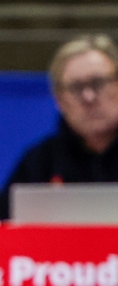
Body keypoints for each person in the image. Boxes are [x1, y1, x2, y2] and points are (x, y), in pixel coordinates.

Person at [7, 35, 118, 187]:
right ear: (59, 99)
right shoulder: (41, 163)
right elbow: (7, 210)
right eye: (75, 87)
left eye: (98, 83)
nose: (89, 97)